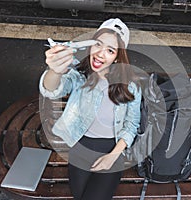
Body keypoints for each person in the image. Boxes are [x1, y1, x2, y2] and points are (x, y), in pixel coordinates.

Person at [39, 18, 142, 200]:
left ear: (118, 56)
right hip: (81, 147)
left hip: (112, 149)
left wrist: (113, 156)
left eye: (110, 50)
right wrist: (54, 70)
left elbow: (132, 124)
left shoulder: (131, 86)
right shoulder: (79, 76)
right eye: (98, 45)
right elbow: (52, 90)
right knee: (79, 195)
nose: (101, 54)